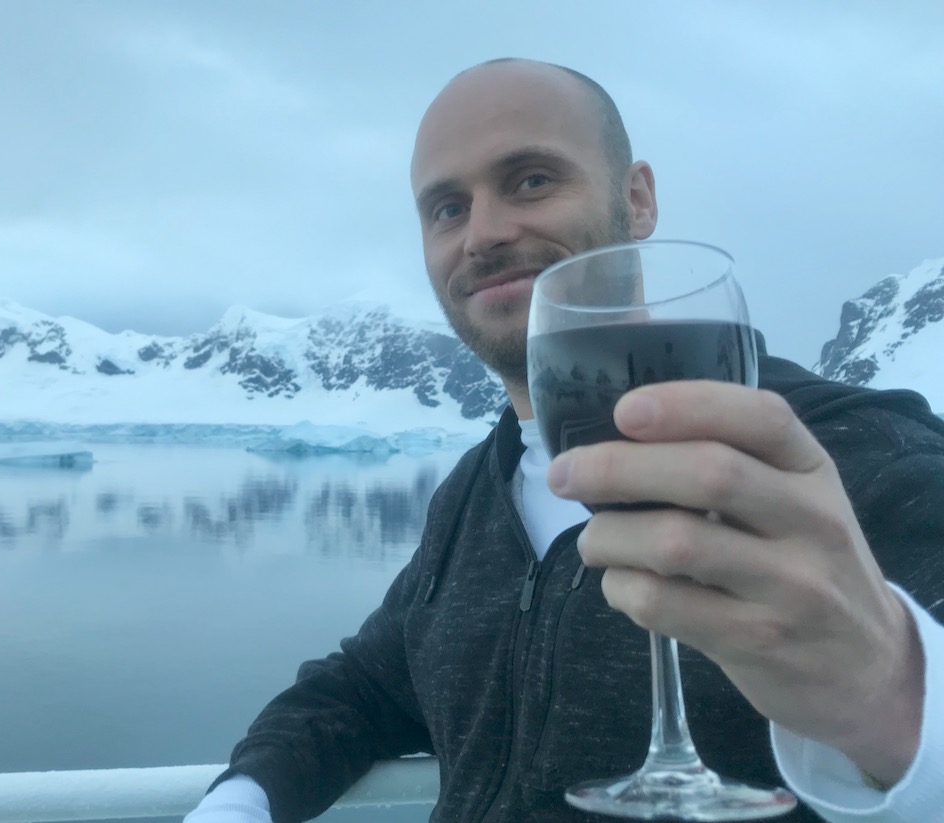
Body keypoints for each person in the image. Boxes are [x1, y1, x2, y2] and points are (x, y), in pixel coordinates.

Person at [185, 59, 944, 823]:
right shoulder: (472, 496)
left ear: (637, 198)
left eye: (532, 180)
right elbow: (364, 689)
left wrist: (896, 692)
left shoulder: (859, 457)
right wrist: (238, 805)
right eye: (447, 208)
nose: (483, 233)